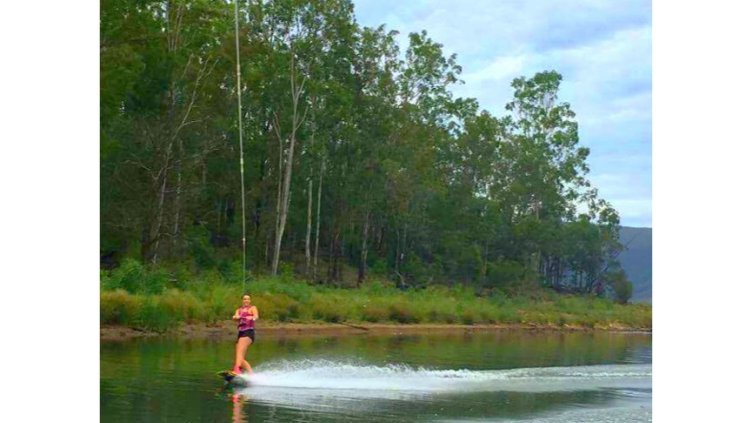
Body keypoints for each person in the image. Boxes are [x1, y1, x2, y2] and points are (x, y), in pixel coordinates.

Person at [230, 294, 258, 375]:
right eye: (245, 299)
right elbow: (235, 317)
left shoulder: (252, 308)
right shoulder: (238, 310)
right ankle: (251, 375)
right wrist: (235, 317)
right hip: (240, 333)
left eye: (248, 299)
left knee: (239, 355)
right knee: (240, 358)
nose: (246, 300)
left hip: (248, 332)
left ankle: (236, 370)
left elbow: (256, 316)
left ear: (250, 301)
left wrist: (252, 318)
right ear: (242, 300)